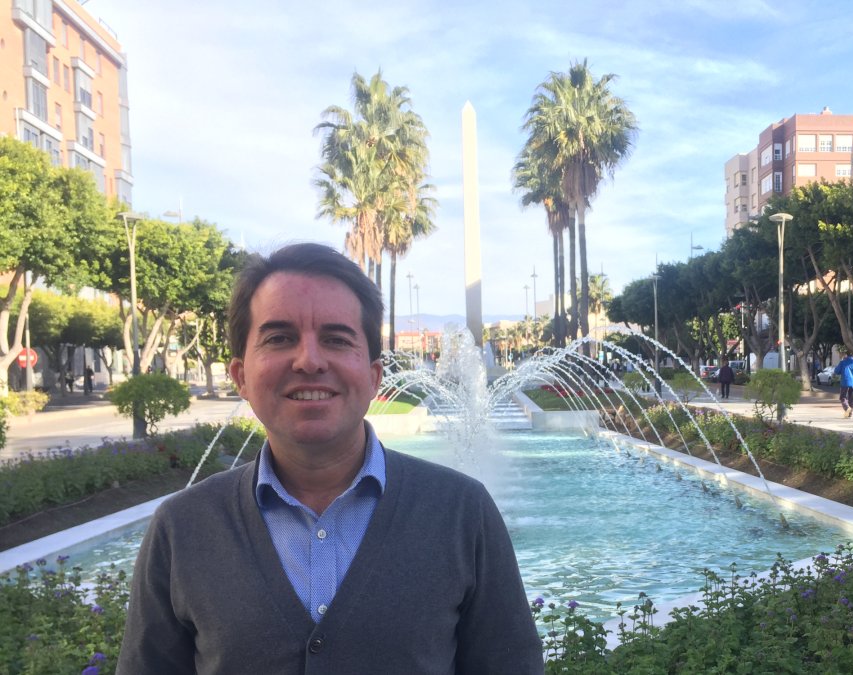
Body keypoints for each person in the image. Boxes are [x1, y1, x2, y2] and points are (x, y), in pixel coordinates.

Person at [118, 243, 542, 674]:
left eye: (336, 339)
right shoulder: (183, 527)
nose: (309, 360)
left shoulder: (462, 512)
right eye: (279, 338)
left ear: (374, 376)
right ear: (241, 376)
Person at [833, 353, 853, 418]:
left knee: (843, 397)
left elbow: (836, 371)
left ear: (846, 355)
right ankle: (850, 413)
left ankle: (847, 408)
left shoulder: (842, 362)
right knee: (851, 399)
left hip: (845, 383)